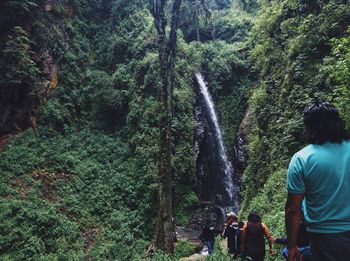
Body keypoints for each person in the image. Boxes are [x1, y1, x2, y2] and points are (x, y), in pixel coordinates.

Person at [285, 101, 350, 261]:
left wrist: (292, 245)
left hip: (325, 237)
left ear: (309, 127)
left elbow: (293, 209)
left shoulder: (302, 159)